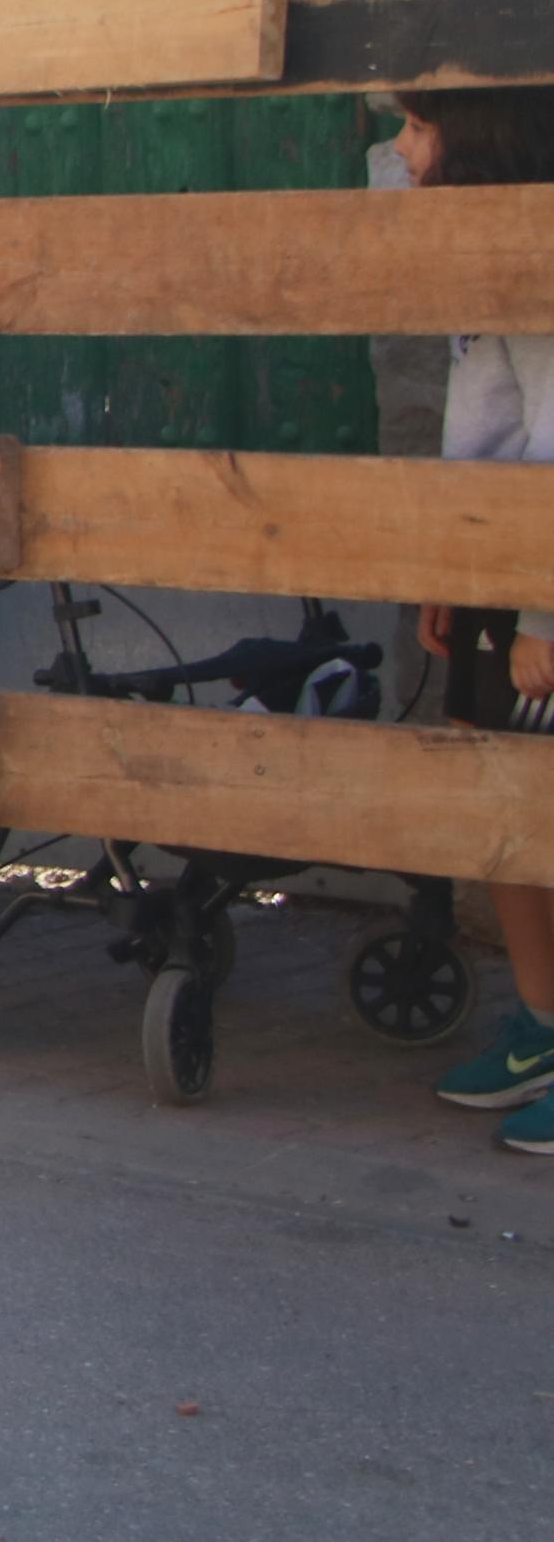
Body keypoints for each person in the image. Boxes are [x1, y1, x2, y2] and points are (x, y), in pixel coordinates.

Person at [396, 87, 554, 1157]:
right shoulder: (473, 246)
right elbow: (485, 417)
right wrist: (449, 566)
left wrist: (545, 609)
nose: (398, 145)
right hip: (501, 555)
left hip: (544, 571)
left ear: (473, 135)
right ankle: (544, 1022)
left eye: (413, 125)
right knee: (500, 788)